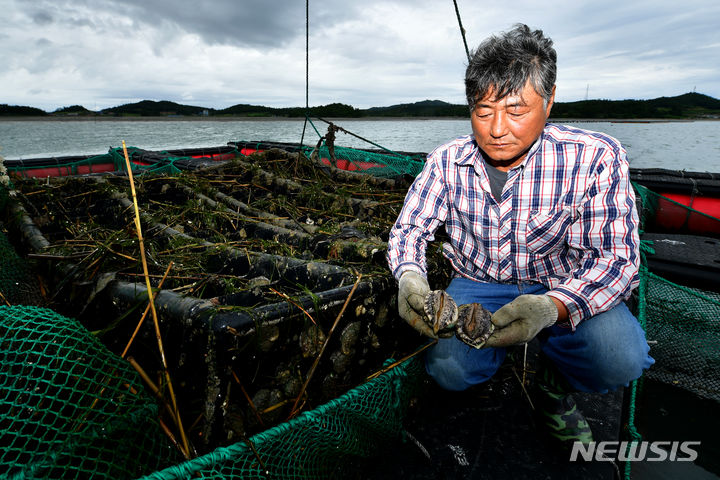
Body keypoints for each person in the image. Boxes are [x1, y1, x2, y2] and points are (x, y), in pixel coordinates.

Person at [386, 23, 654, 445]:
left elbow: (616, 259)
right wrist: (409, 276)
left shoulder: (596, 158)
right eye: (482, 110)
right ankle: (492, 355)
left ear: (549, 102)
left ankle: (552, 383)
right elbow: (410, 229)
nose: (496, 129)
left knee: (618, 357)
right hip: (479, 284)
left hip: (564, 285)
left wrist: (553, 307)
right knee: (449, 372)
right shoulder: (445, 161)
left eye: (515, 110)